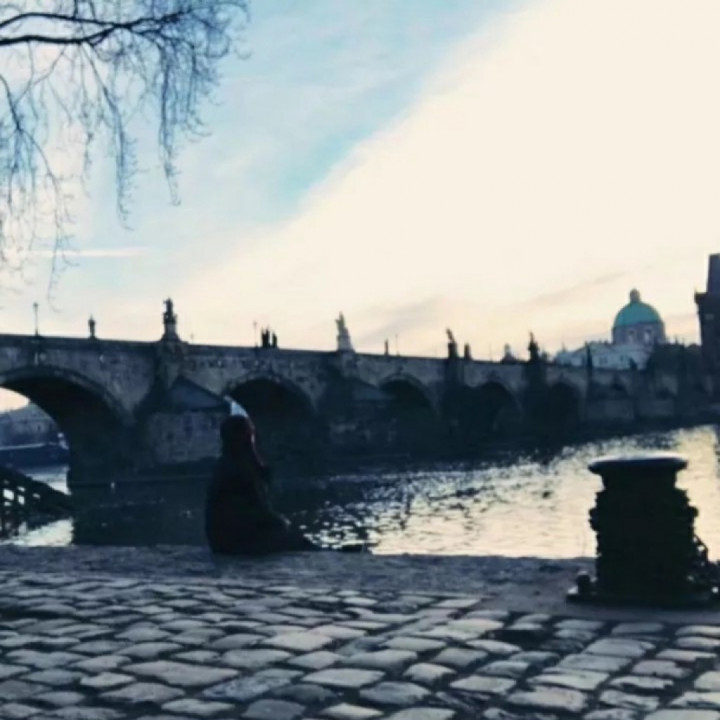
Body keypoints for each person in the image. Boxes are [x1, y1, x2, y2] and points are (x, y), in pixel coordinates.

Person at [205, 415, 320, 555]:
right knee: (298, 542)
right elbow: (258, 511)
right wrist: (281, 521)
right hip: (236, 543)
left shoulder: (226, 465)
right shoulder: (241, 470)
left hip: (222, 541)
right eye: (250, 432)